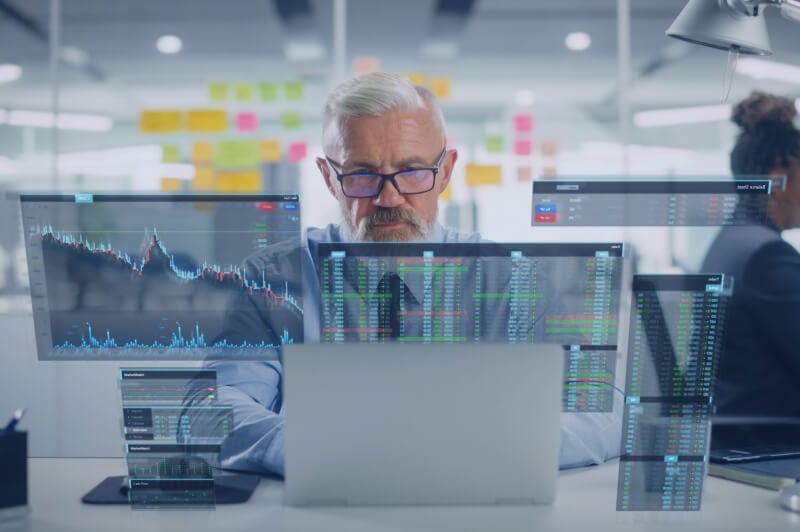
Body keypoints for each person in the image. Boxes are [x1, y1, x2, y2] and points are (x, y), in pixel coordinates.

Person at [206, 72, 622, 476]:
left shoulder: (511, 281)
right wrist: (316, 450)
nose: (390, 197)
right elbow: (218, 402)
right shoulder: (272, 280)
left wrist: (476, 452)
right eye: (362, 174)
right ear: (328, 178)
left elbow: (602, 407)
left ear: (445, 171)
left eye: (412, 172)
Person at [701, 91, 800, 420]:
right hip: (770, 443)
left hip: (731, 433)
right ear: (779, 181)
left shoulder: (729, 242)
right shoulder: (767, 256)